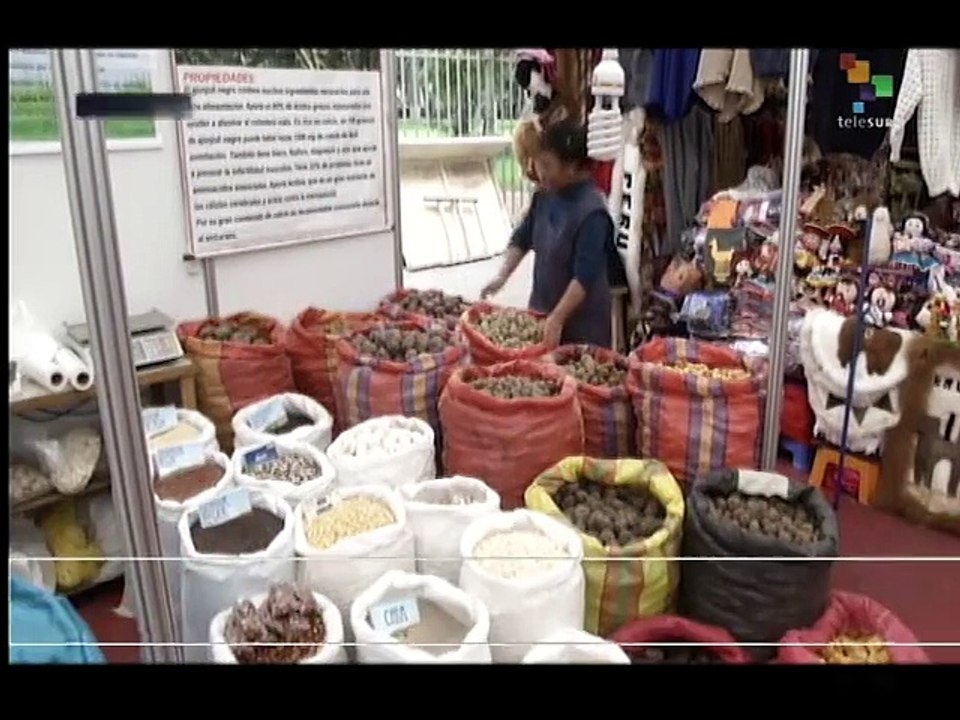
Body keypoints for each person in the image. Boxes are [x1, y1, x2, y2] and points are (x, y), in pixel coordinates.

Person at [482, 119, 623, 348]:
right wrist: (501, 276)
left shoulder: (593, 212)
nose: (539, 172)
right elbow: (522, 238)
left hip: (583, 330)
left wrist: (557, 318)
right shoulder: (544, 196)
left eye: (547, 165)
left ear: (572, 167)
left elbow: (584, 277)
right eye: (538, 164)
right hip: (541, 313)